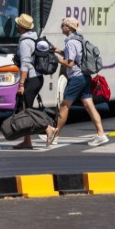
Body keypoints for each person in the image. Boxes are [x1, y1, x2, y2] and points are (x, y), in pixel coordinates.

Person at [44, 17, 109, 147]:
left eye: (63, 25)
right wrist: (58, 51)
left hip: (76, 78)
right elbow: (72, 56)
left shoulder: (71, 42)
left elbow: (70, 63)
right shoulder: (78, 39)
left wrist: (56, 59)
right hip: (85, 77)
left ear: (68, 27)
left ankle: (55, 137)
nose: (61, 27)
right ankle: (101, 134)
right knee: (89, 106)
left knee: (64, 106)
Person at [12, 14, 43, 150]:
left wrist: (21, 85)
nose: (16, 25)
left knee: (26, 110)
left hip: (31, 79)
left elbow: (25, 64)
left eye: (18, 24)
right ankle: (27, 141)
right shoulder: (34, 37)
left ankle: (48, 129)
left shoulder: (25, 42)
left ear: (21, 27)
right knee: (24, 109)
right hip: (37, 78)